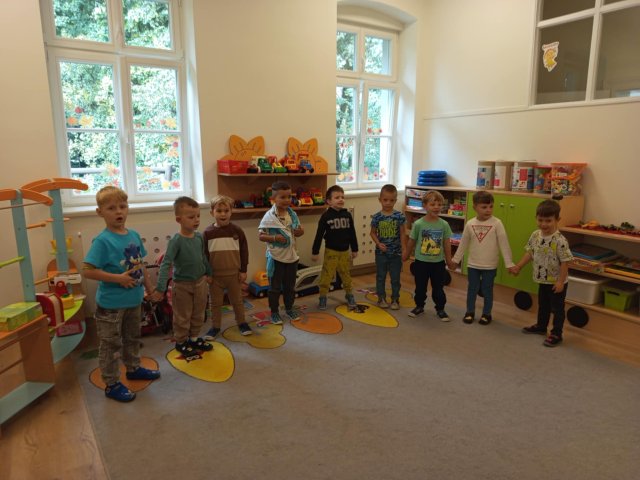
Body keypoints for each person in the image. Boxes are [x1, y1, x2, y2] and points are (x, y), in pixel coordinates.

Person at [83, 186, 160, 403]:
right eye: (111, 208)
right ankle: (111, 384)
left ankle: (133, 368)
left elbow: (141, 265)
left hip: (134, 301)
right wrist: (119, 279)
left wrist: (150, 289)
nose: (118, 211)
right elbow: (88, 271)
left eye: (122, 206)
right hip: (111, 306)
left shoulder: (133, 235)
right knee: (111, 345)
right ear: (100, 212)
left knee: (132, 338)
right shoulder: (102, 241)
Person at [151, 196, 213, 358]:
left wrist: (209, 272)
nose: (196, 220)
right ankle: (181, 341)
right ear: (179, 220)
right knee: (182, 316)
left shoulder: (199, 237)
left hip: (200, 282)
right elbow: (166, 264)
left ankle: (194, 338)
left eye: (198, 216)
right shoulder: (176, 241)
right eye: (191, 217)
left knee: (199, 313)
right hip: (182, 285)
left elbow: (202, 256)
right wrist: (160, 287)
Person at [511, 199, 573, 347]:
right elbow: (530, 253)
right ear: (536, 218)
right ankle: (541, 326)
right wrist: (519, 266)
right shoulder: (535, 235)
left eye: (548, 220)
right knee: (543, 305)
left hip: (556, 282)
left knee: (557, 309)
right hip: (542, 279)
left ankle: (556, 333)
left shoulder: (560, 240)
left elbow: (565, 262)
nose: (544, 224)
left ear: (557, 220)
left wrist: (560, 282)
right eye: (540, 220)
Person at [450, 191, 516, 325]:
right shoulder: (470, 224)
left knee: (487, 290)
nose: (488, 210)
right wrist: (455, 260)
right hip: (473, 265)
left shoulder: (497, 223)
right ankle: (469, 312)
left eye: (491, 206)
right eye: (484, 207)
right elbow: (463, 244)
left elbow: (504, 243)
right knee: (472, 289)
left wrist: (509, 263)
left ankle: (487, 314)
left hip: (490, 266)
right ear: (475, 207)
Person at [202, 194, 252, 339]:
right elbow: (203, 255)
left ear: (231, 212)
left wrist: (243, 270)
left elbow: (244, 251)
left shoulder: (237, 231)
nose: (223, 214)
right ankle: (215, 327)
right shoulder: (207, 233)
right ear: (212, 212)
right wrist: (207, 273)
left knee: (237, 301)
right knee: (215, 303)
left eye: (226, 211)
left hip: (234, 275)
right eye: (219, 211)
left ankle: (242, 323)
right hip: (214, 277)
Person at [258, 181, 305, 324]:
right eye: (282, 197)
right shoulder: (269, 216)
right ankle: (274, 312)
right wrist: (274, 238)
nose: (287, 200)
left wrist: (300, 231)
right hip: (276, 258)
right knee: (274, 288)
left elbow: (298, 231)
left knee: (290, 287)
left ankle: (289, 308)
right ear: (273, 199)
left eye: (289, 196)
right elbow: (261, 236)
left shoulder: (292, 214)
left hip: (291, 257)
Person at [402, 190, 453, 321]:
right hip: (421, 262)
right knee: (420, 287)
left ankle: (440, 309)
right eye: (432, 204)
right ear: (424, 206)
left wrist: (449, 260)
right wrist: (406, 255)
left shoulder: (444, 224)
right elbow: (411, 241)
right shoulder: (418, 224)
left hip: (438, 263)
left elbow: (447, 243)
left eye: (439, 204)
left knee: (438, 288)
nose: (436, 207)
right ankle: (419, 306)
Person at [311, 185, 358, 310]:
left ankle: (349, 294)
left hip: (344, 252)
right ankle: (323, 297)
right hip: (331, 252)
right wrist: (315, 251)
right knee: (327, 275)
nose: (341, 199)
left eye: (342, 197)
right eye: (337, 197)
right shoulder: (326, 216)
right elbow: (319, 235)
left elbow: (352, 233)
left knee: (346, 274)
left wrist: (354, 249)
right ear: (329, 201)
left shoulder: (347, 215)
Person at [370, 184, 407, 310]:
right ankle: (381, 298)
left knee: (395, 278)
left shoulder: (399, 216)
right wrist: (378, 243)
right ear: (380, 200)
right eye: (385, 200)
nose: (388, 203)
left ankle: (395, 299)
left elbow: (402, 233)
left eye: (391, 200)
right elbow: (372, 233)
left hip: (396, 253)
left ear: (395, 201)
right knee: (381, 277)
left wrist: (404, 248)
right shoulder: (376, 217)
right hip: (381, 254)